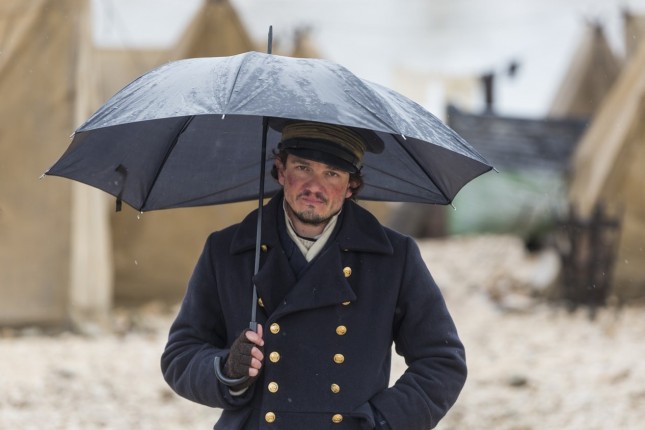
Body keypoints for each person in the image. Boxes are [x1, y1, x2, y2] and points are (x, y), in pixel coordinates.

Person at [160, 120, 467, 429]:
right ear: (281, 170)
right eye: (303, 168)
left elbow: (442, 362)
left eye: (332, 173)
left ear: (351, 186)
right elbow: (180, 355)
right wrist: (226, 370)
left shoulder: (393, 258)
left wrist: (381, 422)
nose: (315, 187)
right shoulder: (227, 251)